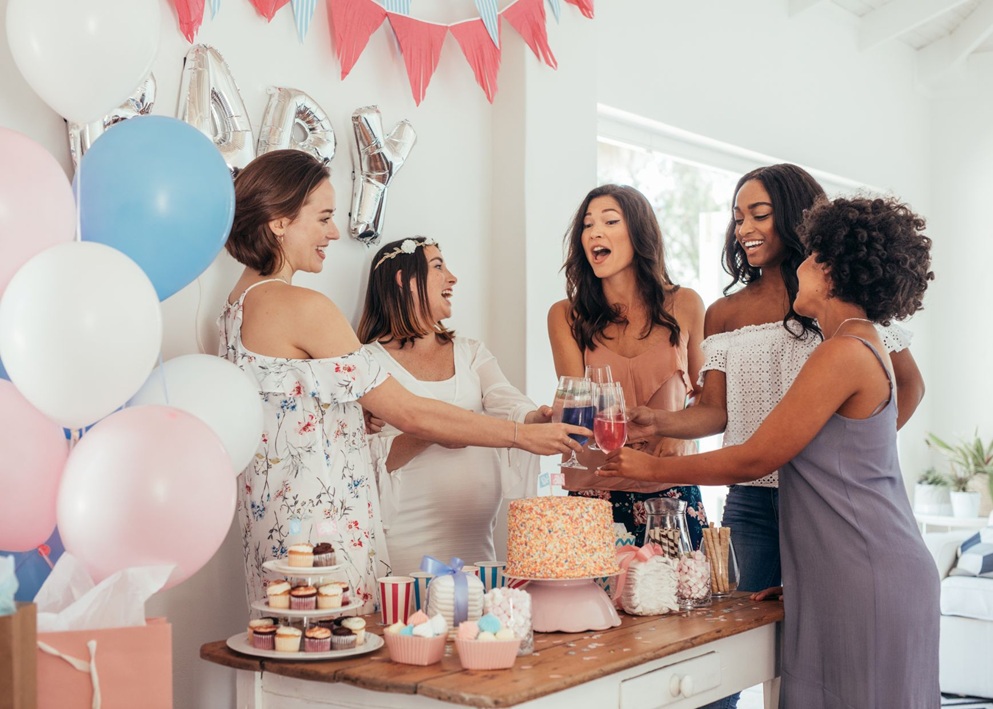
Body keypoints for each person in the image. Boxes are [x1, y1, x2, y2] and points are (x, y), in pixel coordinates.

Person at [599, 194, 939, 708]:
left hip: (866, 573)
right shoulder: (858, 343)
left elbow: (757, 456)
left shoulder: (843, 353)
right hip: (853, 572)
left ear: (827, 270)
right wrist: (813, 579)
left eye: (809, 256)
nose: (799, 267)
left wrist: (652, 466)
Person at [218, 150, 587, 611]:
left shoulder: (236, 307)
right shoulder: (302, 306)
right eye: (324, 217)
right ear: (278, 221)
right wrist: (521, 435)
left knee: (290, 660)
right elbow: (410, 412)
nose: (334, 232)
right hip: (323, 533)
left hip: (274, 528)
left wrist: (352, 417)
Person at [357, 237, 548, 575]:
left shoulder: (470, 351)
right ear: (406, 280)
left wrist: (539, 417)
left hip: (476, 540)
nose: (453, 277)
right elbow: (361, 461)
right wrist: (431, 431)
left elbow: (506, 400)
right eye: (438, 267)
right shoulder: (367, 362)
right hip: (406, 542)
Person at [547, 184, 708, 547]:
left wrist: (675, 431)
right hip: (595, 493)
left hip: (671, 491)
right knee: (597, 602)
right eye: (588, 225)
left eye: (610, 221)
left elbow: (707, 397)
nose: (595, 232)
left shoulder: (686, 304)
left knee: (678, 599)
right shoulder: (565, 315)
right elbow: (579, 405)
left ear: (639, 233)